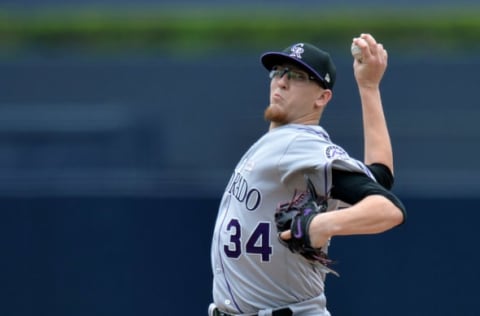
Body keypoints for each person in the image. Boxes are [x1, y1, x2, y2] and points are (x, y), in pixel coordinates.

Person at [209, 33, 406, 316]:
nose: (282, 81)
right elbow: (380, 178)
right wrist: (369, 87)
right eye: (278, 71)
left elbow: (388, 208)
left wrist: (320, 224)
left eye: (298, 76)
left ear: (322, 97)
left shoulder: (298, 144)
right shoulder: (284, 144)